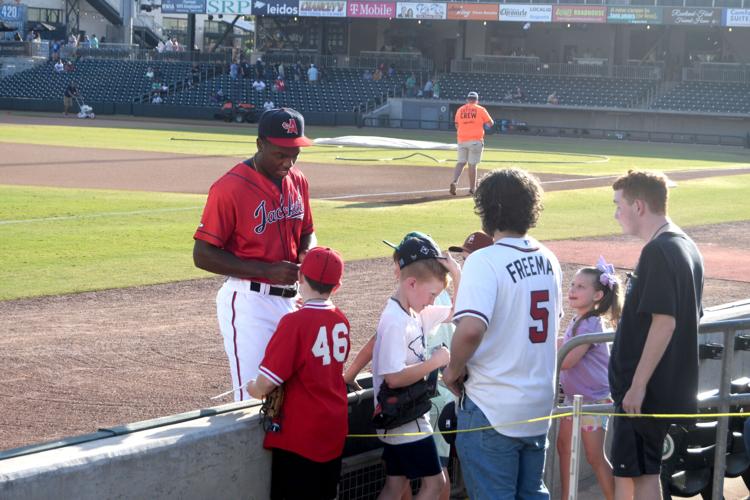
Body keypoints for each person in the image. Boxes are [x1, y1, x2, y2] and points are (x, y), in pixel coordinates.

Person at [443, 168, 563, 499]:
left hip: (493, 407)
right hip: (537, 407)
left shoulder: (485, 260)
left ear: (487, 209)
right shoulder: (548, 259)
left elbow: (470, 330)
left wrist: (452, 371)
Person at [193, 108, 317, 402]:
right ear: (260, 144)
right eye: (280, 153)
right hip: (249, 303)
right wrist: (266, 270)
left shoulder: (298, 181)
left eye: (295, 153)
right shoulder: (229, 188)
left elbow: (307, 230)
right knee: (254, 399)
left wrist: (307, 251)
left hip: (292, 299)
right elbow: (202, 254)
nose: (288, 161)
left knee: (295, 392)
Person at [344, 232, 462, 500]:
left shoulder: (414, 312)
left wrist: (456, 274)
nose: (433, 301)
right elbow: (394, 378)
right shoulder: (397, 320)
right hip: (406, 420)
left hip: (402, 418)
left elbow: (460, 311)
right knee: (435, 484)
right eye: (432, 294)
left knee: (395, 487)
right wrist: (435, 362)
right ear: (411, 283)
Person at [609, 170, 704, 499]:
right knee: (645, 473)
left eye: (619, 205)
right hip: (656, 391)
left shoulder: (660, 250)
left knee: (641, 477)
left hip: (645, 395)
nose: (616, 213)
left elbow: (665, 323)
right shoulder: (684, 245)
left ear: (638, 206)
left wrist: (637, 386)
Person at [247, 247, 350, 500]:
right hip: (334, 427)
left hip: (300, 436)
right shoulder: (341, 319)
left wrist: (253, 389)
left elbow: (267, 383)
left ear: (300, 278)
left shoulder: (294, 323)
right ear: (336, 287)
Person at [557, 257, 622, 500]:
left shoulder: (591, 323)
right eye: (572, 285)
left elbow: (567, 360)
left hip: (593, 400)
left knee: (594, 456)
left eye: (581, 287)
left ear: (597, 295)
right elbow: (563, 346)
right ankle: (567, 496)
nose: (572, 290)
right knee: (564, 447)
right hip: (574, 400)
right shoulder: (579, 320)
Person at [449, 92, 494, 196]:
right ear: (476, 100)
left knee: (460, 162)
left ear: (467, 99)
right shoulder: (480, 109)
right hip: (475, 140)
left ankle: (455, 181)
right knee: (472, 165)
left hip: (461, 140)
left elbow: (457, 125)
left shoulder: (460, 110)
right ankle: (472, 189)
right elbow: (490, 123)